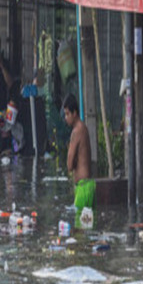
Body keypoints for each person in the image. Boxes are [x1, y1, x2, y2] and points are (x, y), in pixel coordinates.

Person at [63, 93, 95, 226]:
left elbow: (69, 165)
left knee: (79, 231)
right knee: (87, 228)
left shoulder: (76, 131)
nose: (66, 118)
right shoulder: (84, 128)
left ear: (74, 113)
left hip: (82, 189)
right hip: (89, 186)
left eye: (67, 114)